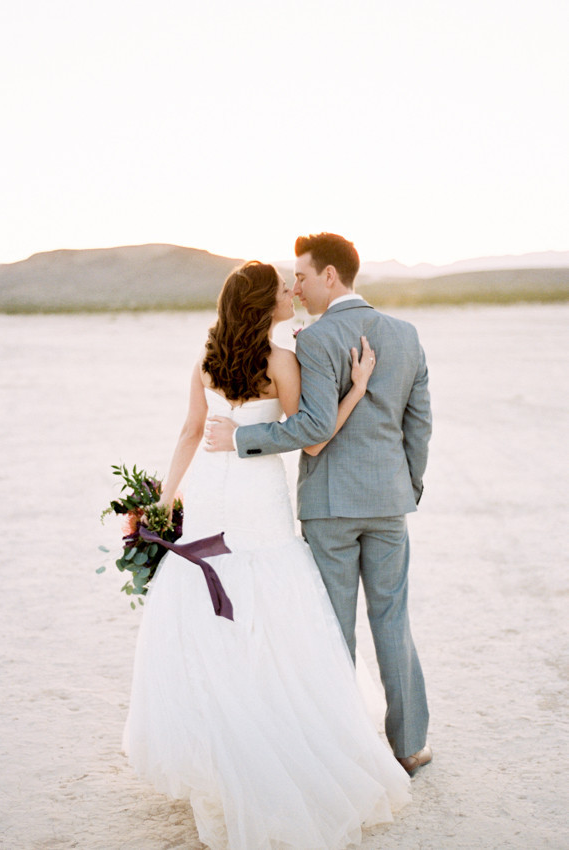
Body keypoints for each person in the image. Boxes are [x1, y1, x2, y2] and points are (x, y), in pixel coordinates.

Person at [123, 260, 411, 850]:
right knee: (276, 609)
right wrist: (356, 388)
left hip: (209, 496)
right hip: (256, 501)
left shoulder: (206, 359)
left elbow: (188, 432)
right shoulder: (281, 361)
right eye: (282, 290)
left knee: (209, 619)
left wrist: (163, 503)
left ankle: (224, 745)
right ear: (263, 304)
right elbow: (316, 434)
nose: (291, 294)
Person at [206, 234, 433, 776]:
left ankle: (343, 746)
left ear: (331, 275)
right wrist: (409, 488)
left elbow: (310, 428)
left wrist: (240, 440)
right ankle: (408, 747)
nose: (297, 287)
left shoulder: (313, 341)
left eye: (302, 277)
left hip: (330, 505)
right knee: (393, 621)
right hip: (388, 502)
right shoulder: (406, 334)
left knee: (334, 627)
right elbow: (418, 423)